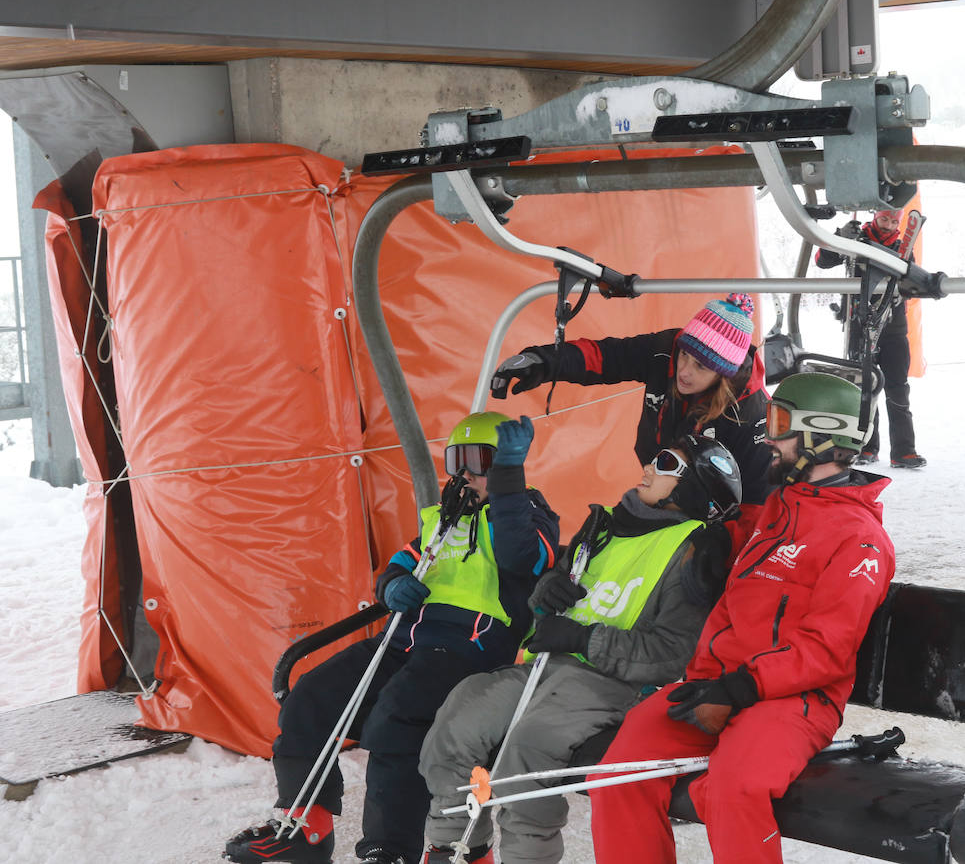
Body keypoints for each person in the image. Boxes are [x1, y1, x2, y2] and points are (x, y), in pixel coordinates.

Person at [588, 372, 896, 864]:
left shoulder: (859, 540)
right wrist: (713, 549)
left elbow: (827, 648)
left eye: (781, 424)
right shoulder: (779, 509)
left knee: (732, 788)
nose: (769, 439)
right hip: (718, 685)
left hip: (793, 701)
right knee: (619, 773)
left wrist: (741, 689)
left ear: (824, 435)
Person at [223, 413, 559, 864]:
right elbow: (404, 561)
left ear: (505, 464)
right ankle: (306, 826)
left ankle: (389, 850)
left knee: (395, 720)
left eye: (479, 460)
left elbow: (522, 557)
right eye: (456, 460)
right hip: (404, 639)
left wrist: (507, 486)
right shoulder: (444, 519)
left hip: (469, 649)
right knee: (311, 697)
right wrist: (393, 583)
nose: (465, 472)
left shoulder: (529, 514)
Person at [416, 435, 741, 864]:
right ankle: (456, 847)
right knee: (458, 720)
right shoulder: (605, 525)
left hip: (614, 684)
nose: (646, 467)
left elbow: (671, 653)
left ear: (694, 487)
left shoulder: (693, 551)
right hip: (547, 669)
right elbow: (549, 604)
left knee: (527, 752)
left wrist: (584, 639)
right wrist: (546, 595)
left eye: (664, 463)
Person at [489, 293, 772, 506]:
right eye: (685, 355)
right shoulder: (666, 351)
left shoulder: (751, 411)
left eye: (701, 366)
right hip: (659, 488)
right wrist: (543, 361)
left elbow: (758, 498)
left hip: (713, 518)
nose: (684, 371)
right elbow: (605, 357)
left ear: (723, 375)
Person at [814, 208, 926, 469]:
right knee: (862, 388)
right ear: (875, 218)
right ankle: (865, 446)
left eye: (893, 221)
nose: (888, 225)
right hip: (859, 325)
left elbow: (913, 281)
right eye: (884, 219)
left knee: (898, 387)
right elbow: (822, 260)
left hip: (893, 328)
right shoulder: (856, 241)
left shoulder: (903, 247)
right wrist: (839, 237)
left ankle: (904, 450)